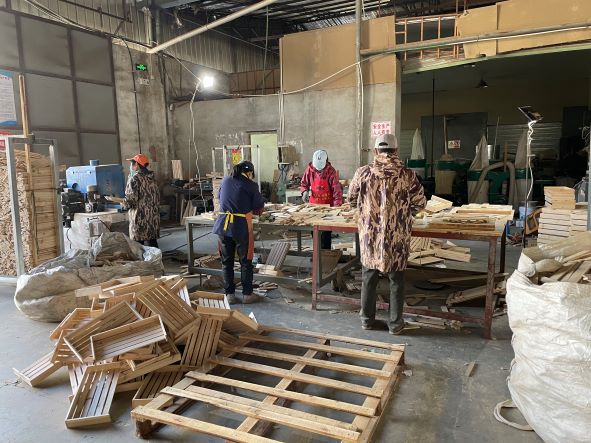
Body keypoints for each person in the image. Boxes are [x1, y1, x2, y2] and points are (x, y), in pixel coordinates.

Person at [348, 134, 426, 335]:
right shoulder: (408, 175)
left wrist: (367, 213)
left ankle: (367, 320)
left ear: (376, 151)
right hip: (397, 238)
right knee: (396, 281)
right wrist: (403, 216)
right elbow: (420, 203)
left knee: (369, 277)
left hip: (370, 236)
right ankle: (395, 324)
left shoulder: (363, 173)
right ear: (396, 151)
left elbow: (351, 200)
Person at [213, 161, 265, 304]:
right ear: (249, 173)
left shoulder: (225, 180)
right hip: (240, 226)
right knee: (245, 261)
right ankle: (247, 294)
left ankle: (229, 294)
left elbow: (220, 197)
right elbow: (258, 207)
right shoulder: (251, 185)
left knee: (226, 261)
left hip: (223, 225)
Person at [299, 149, 343, 249]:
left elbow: (337, 191)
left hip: (328, 207)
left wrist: (336, 208)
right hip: (313, 207)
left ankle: (325, 253)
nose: (318, 170)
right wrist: (304, 191)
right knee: (314, 232)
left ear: (326, 161)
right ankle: (317, 253)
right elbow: (304, 183)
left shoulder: (331, 172)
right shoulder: (310, 169)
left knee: (326, 233)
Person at [119, 153, 160, 248]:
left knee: (138, 246)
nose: (131, 166)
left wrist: (123, 204)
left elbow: (130, 201)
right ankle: (156, 258)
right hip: (153, 218)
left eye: (132, 163)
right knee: (152, 244)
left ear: (137, 164)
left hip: (139, 219)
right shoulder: (152, 178)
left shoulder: (134, 179)